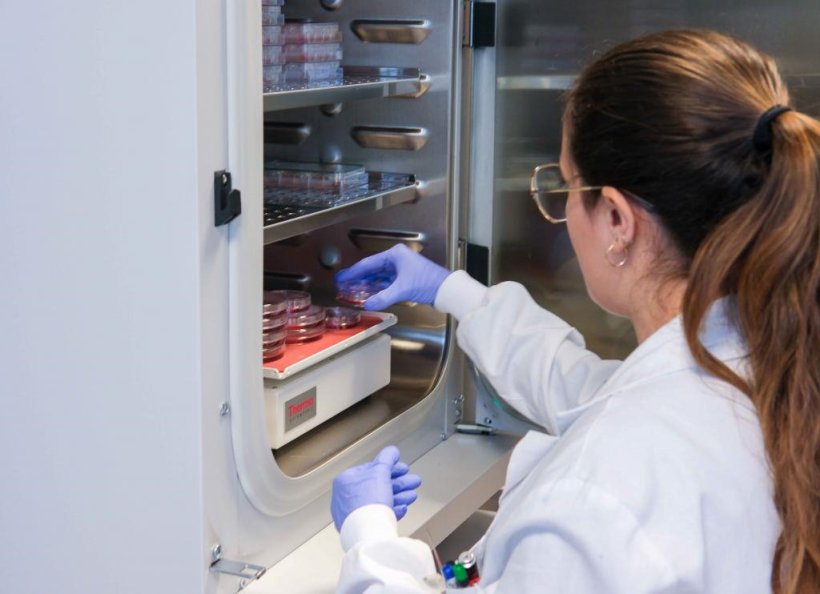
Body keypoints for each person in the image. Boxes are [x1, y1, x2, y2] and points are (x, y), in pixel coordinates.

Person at [330, 29, 819, 594]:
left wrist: (370, 544)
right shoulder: (761, 363)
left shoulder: (594, 501)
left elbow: (610, 429)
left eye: (565, 184)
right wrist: (451, 291)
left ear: (616, 220)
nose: (559, 207)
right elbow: (590, 390)